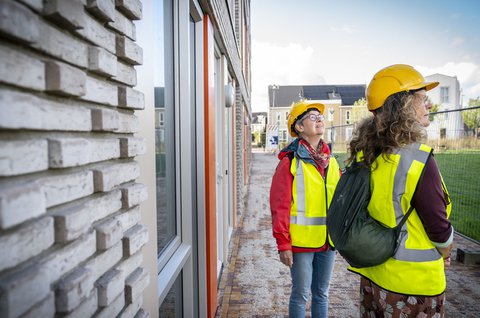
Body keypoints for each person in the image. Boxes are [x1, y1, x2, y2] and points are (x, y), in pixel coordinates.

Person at [346, 64, 454, 317]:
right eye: (422, 99)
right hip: (414, 287)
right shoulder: (418, 159)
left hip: (375, 277)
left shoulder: (367, 153)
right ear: (402, 106)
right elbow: (438, 229)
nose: (428, 105)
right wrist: (446, 252)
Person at [269, 100, 341, 318]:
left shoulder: (332, 162)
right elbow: (279, 206)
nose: (319, 119)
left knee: (321, 293)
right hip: (300, 243)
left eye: (321, 116)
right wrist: (283, 243)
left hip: (328, 241)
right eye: (312, 116)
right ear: (299, 128)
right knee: (300, 294)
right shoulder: (289, 162)